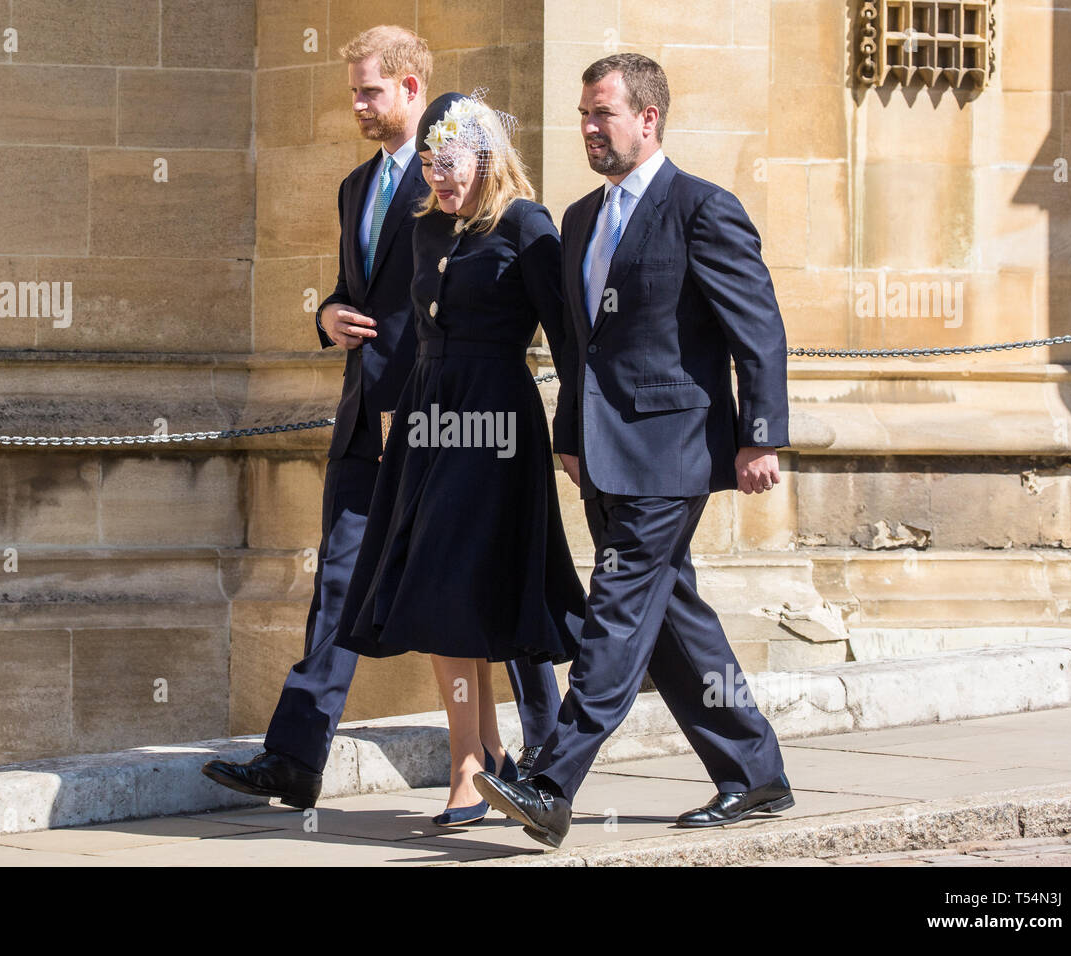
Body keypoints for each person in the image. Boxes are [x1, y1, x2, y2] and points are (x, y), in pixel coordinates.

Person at [201, 27, 561, 811]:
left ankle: (546, 753)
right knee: (339, 582)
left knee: (499, 578)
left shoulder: (463, 178)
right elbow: (353, 293)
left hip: (446, 424)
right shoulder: (356, 187)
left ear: (410, 88)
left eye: (369, 90)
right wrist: (327, 314)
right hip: (368, 418)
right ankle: (296, 757)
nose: (357, 105)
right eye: (354, 91)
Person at [474, 53, 795, 848]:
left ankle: (550, 780)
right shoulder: (580, 219)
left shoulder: (702, 210)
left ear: (648, 119)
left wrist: (761, 435)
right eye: (584, 113)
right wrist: (570, 437)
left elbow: (758, 331)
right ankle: (755, 775)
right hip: (603, 455)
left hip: (671, 452)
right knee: (671, 616)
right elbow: (580, 346)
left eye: (602, 114)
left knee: (614, 610)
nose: (588, 127)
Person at [332, 91, 585, 826]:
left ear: (487, 157)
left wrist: (573, 432)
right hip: (427, 420)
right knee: (441, 587)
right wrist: (393, 417)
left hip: (497, 426)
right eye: (432, 164)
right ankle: (478, 756)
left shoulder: (526, 225)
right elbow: (410, 334)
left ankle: (474, 764)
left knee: (464, 585)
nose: (440, 177)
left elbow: (566, 341)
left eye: (453, 163)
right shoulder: (425, 229)